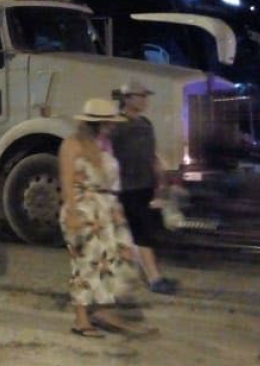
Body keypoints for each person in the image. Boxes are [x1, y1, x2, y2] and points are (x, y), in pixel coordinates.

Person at [60, 98, 157, 337]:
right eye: (107, 123)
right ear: (96, 123)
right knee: (86, 263)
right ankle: (81, 320)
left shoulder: (104, 144)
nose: (112, 126)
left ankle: (104, 309)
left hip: (107, 208)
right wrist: (72, 212)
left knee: (116, 260)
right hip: (85, 209)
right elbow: (66, 181)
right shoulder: (72, 144)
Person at [110, 80, 176, 295]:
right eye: (141, 96)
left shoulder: (145, 124)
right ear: (127, 98)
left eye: (145, 96)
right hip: (125, 189)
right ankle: (153, 279)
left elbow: (152, 155)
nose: (145, 100)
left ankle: (140, 277)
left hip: (143, 187)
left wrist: (161, 181)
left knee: (138, 234)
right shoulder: (116, 127)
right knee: (138, 234)